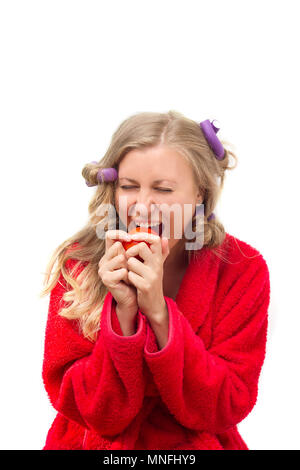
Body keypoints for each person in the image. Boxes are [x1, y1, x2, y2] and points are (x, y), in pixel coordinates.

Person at [40, 110, 270, 450]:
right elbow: (84, 408)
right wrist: (123, 316)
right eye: (129, 187)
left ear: (200, 195)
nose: (143, 206)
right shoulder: (80, 265)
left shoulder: (242, 269)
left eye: (162, 189)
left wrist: (160, 315)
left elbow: (228, 403)